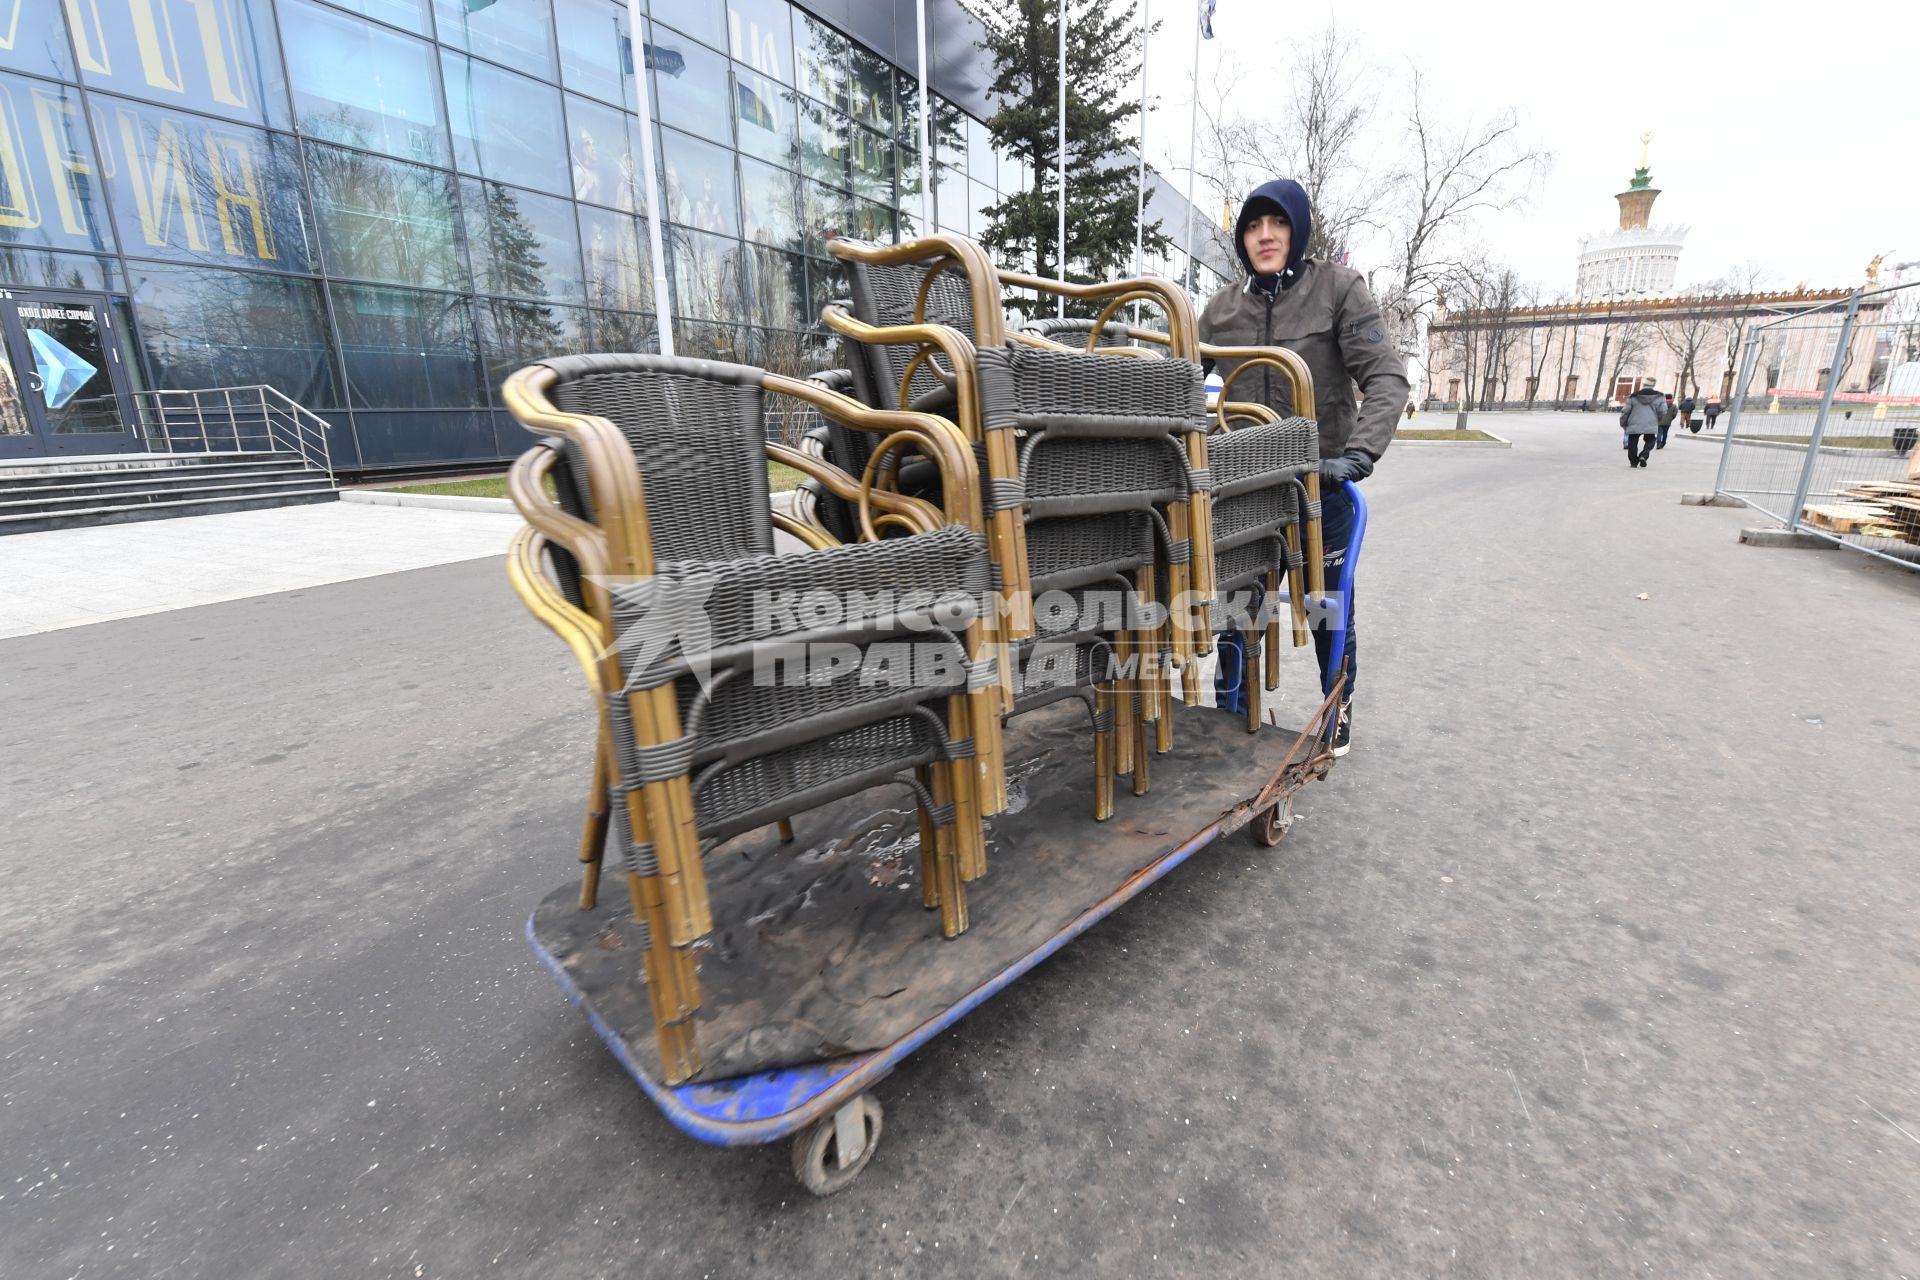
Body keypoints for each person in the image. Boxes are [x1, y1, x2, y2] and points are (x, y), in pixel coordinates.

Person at [1198, 178, 1409, 757]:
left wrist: (1357, 455)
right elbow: (1187, 382)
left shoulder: (1339, 290)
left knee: (1324, 604)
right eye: (1252, 226)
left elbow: (1386, 378)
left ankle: (1334, 707)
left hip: (1320, 482)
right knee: (1238, 604)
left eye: (1278, 224)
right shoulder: (1219, 310)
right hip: (1243, 488)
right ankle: (1231, 710)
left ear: (1298, 229)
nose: (1265, 236)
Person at [1620, 382, 1669, 467]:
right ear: (1653, 387)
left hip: (1634, 422)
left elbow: (1626, 411)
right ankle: (1643, 455)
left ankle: (1633, 462)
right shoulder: (1660, 397)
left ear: (1643, 387)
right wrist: (1658, 419)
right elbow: (1663, 411)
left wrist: (1623, 422)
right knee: (1651, 439)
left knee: (1633, 441)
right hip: (1651, 422)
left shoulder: (1633, 397)